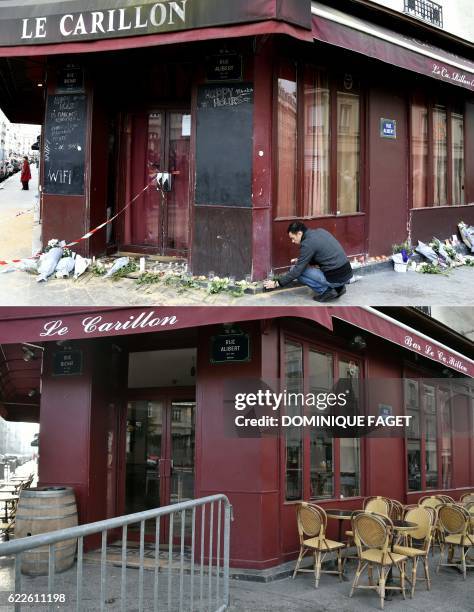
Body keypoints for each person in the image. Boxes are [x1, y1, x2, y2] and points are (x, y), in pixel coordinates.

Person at [263, 222, 353, 302]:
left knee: (294, 269)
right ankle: (339, 288)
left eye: (293, 238)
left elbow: (297, 271)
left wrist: (276, 283)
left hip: (335, 277)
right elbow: (322, 254)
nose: (292, 241)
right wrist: (301, 260)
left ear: (299, 233)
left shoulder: (307, 244)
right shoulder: (320, 231)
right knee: (300, 267)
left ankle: (327, 291)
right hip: (346, 273)